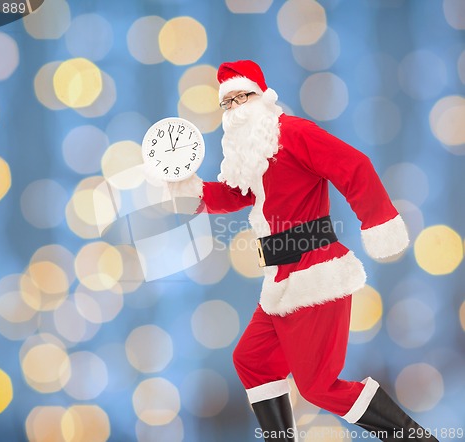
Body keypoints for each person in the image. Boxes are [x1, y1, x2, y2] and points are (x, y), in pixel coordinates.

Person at [169, 59, 438, 441]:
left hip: (315, 272)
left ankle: (414, 438)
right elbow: (237, 193)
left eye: (239, 97)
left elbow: (353, 165)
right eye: (225, 104)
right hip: (279, 277)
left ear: (261, 96)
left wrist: (378, 223)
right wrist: (192, 189)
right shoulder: (254, 154)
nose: (233, 109)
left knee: (318, 387)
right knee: (253, 359)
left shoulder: (293, 133)